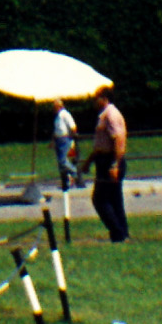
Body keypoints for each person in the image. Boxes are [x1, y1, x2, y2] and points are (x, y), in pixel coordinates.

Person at [88, 83, 129, 242]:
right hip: (103, 159)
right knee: (114, 199)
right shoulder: (104, 114)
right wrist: (89, 161)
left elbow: (119, 140)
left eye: (96, 98)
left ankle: (117, 231)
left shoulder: (110, 115)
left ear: (104, 99)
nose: (94, 101)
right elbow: (101, 143)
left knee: (100, 199)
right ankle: (121, 234)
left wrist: (115, 165)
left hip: (109, 161)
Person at [52, 100, 78, 192]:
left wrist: (72, 137)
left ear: (59, 106)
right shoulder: (58, 116)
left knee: (62, 161)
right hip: (58, 139)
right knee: (61, 164)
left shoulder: (65, 114)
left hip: (64, 139)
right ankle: (66, 181)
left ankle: (75, 172)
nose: (53, 108)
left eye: (54, 106)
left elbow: (73, 127)